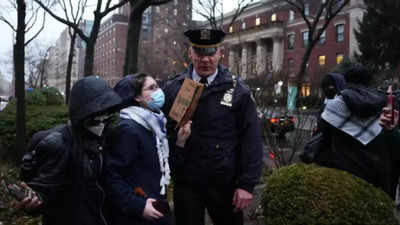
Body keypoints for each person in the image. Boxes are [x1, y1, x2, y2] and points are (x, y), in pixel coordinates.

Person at [162, 29, 263, 225]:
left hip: (224, 184)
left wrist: (246, 184)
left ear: (220, 53)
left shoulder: (237, 91)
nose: (205, 60)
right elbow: (163, 134)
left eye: (210, 53)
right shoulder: (174, 88)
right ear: (190, 53)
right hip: (187, 182)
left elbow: (251, 139)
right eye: (199, 53)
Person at [15, 76, 124, 225]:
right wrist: (33, 201)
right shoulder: (59, 144)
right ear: (82, 115)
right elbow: (42, 191)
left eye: (107, 117)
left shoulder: (98, 138)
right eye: (96, 119)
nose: (102, 125)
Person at [101, 73, 191, 225]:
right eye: (152, 88)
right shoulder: (128, 129)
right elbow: (111, 176)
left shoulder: (153, 124)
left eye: (157, 86)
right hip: (136, 217)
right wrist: (139, 206)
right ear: (137, 97)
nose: (159, 91)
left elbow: (160, 166)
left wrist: (180, 142)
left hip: (155, 209)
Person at [315, 64, 400, 199]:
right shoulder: (385, 105)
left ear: (346, 81)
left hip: (344, 176)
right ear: (369, 81)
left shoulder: (335, 106)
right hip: (380, 177)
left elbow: (320, 137)